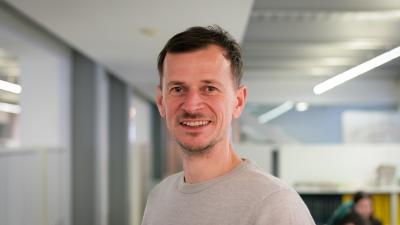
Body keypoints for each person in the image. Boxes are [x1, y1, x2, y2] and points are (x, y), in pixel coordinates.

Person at [141, 25, 316, 225]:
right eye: (178, 88)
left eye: (209, 88)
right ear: (161, 102)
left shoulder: (275, 204)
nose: (191, 105)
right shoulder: (159, 198)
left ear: (238, 101)